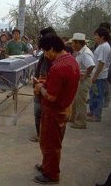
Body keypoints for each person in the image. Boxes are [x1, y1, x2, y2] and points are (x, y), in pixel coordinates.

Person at [34, 35, 80, 184]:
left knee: (51, 144)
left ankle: (51, 175)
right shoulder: (71, 60)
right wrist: (46, 82)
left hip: (54, 111)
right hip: (63, 108)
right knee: (50, 142)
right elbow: (60, 85)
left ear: (52, 49)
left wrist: (41, 87)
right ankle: (48, 166)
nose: (46, 55)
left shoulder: (58, 67)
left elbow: (52, 96)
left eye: (46, 52)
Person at [29, 27, 56, 143]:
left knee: (39, 113)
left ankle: (41, 135)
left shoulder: (48, 55)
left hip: (43, 89)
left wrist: (38, 85)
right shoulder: (50, 54)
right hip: (46, 87)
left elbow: (43, 75)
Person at [69, 33, 95, 129]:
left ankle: (81, 122)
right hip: (81, 79)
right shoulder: (82, 52)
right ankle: (74, 118)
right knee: (76, 100)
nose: (72, 45)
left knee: (81, 101)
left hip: (84, 80)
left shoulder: (85, 53)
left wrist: (84, 77)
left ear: (78, 43)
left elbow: (91, 65)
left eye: (73, 43)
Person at [88, 27, 111, 122]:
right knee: (93, 93)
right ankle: (92, 111)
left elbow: (102, 63)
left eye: (96, 35)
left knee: (98, 95)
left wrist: (95, 76)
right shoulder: (101, 46)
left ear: (102, 37)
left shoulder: (105, 47)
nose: (95, 37)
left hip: (100, 76)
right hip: (96, 75)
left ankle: (97, 115)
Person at [98, 22, 111, 108]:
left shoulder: (108, 41)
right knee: (101, 83)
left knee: (106, 82)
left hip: (108, 64)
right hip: (102, 63)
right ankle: (100, 99)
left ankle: (107, 99)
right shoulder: (100, 40)